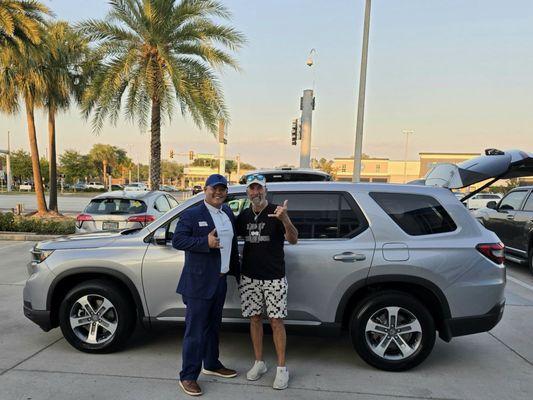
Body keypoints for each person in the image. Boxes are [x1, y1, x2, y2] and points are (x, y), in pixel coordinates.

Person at [172, 174, 240, 397]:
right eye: (214, 189)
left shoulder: (227, 212)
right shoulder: (192, 214)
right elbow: (178, 240)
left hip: (220, 281)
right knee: (195, 331)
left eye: (222, 189)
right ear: (205, 189)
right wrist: (205, 242)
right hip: (198, 284)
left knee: (213, 327)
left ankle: (211, 364)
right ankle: (188, 376)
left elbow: (232, 244)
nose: (218, 193)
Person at [236, 174, 298, 390]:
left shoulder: (277, 212)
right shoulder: (243, 216)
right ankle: (259, 363)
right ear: (247, 192)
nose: (256, 193)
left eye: (259, 188)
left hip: (274, 277)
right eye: (252, 189)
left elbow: (293, 239)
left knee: (276, 321)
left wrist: (285, 219)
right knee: (254, 319)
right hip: (250, 277)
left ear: (265, 190)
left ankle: (282, 369)